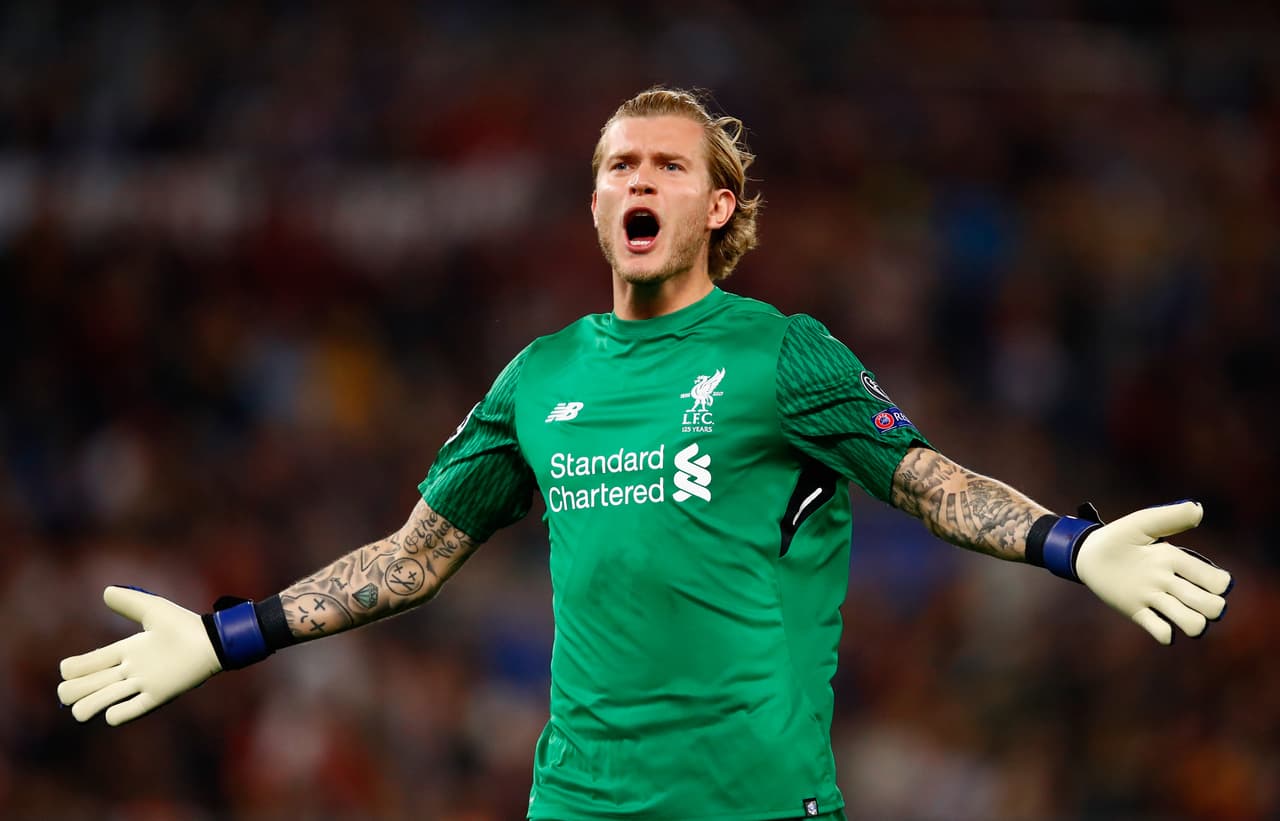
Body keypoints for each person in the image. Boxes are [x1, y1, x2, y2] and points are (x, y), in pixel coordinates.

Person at [59, 87, 1233, 821]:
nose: (634, 179)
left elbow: (928, 480)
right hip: (577, 802)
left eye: (665, 165)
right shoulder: (538, 377)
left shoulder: (783, 354)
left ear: (717, 206)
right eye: (615, 165)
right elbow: (413, 559)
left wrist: (1068, 543)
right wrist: (225, 634)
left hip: (759, 805)